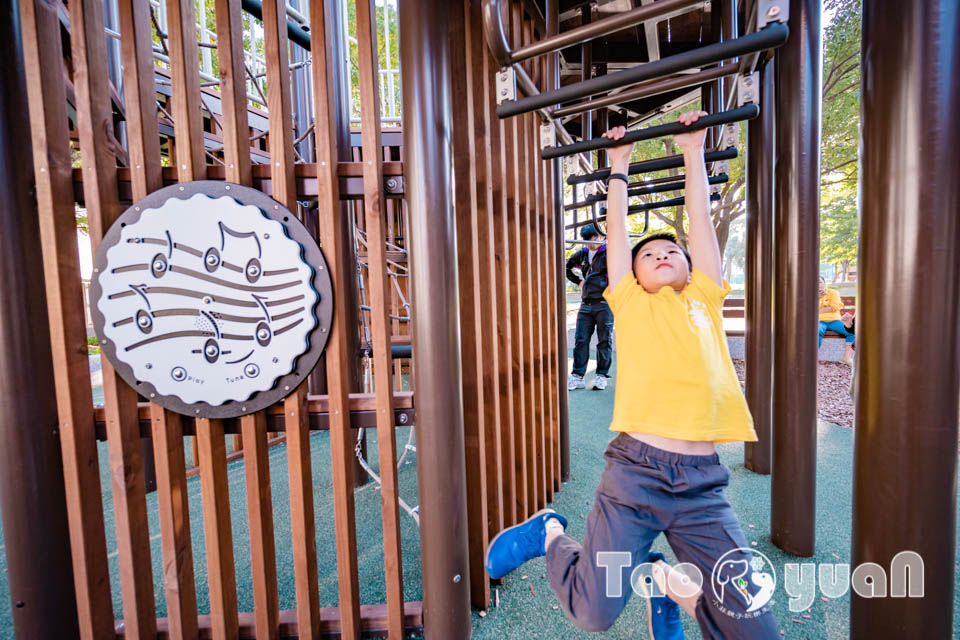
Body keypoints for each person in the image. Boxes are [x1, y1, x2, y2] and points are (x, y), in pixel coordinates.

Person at [486, 113, 780, 639]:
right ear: (634, 275)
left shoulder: (704, 300)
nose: (663, 254)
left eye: (672, 251)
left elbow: (700, 223)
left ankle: (669, 587)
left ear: (691, 268)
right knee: (593, 613)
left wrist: (694, 149)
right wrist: (617, 165)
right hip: (636, 474)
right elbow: (618, 233)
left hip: (702, 485)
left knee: (754, 628)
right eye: (650, 255)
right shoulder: (630, 303)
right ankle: (551, 533)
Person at [566, 223, 613, 391]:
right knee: (581, 340)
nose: (588, 244)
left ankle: (601, 375)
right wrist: (579, 281)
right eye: (586, 241)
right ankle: (577, 376)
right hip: (586, 304)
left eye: (592, 239)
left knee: (604, 341)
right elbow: (567, 267)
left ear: (600, 236)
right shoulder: (583, 254)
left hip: (604, 304)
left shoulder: (609, 252)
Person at [818, 275, 855, 365]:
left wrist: (817, 310)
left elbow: (834, 307)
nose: (817, 285)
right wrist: (818, 298)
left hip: (834, 320)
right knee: (817, 331)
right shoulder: (809, 294)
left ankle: (846, 357)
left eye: (819, 282)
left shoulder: (833, 293)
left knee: (852, 332)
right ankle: (812, 358)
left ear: (824, 283)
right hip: (819, 321)